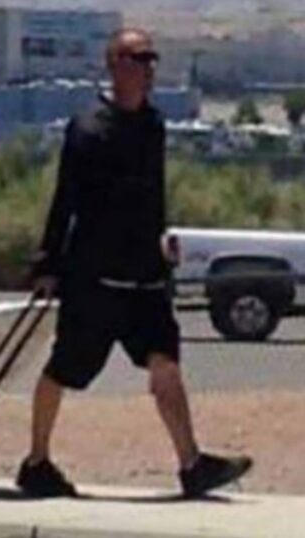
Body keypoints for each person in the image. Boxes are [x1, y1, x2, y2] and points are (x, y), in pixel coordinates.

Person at [16, 28, 252, 498]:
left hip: (144, 275)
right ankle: (37, 461)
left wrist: (161, 241)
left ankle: (191, 464)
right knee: (66, 369)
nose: (149, 68)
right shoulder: (88, 129)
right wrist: (48, 264)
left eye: (151, 59)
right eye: (139, 59)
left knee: (165, 360)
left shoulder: (154, 126)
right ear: (115, 64)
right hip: (95, 279)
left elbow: (153, 195)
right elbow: (66, 201)